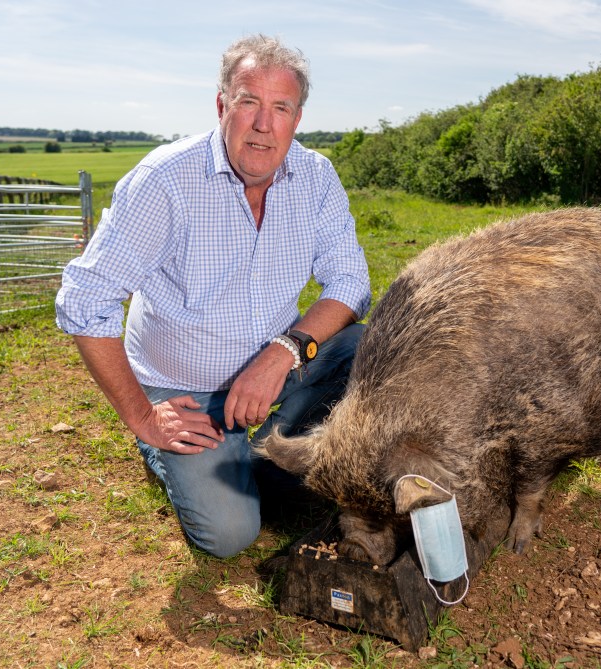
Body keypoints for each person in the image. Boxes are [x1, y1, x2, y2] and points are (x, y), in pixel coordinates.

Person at [55, 34, 371, 559]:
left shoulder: (315, 177)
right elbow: (86, 299)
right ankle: (174, 452)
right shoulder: (166, 181)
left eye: (281, 108)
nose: (263, 125)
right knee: (230, 535)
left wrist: (284, 351)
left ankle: (264, 455)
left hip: (279, 373)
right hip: (188, 394)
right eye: (249, 102)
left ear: (297, 118)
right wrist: (142, 415)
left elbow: (351, 283)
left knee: (369, 344)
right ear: (222, 105)